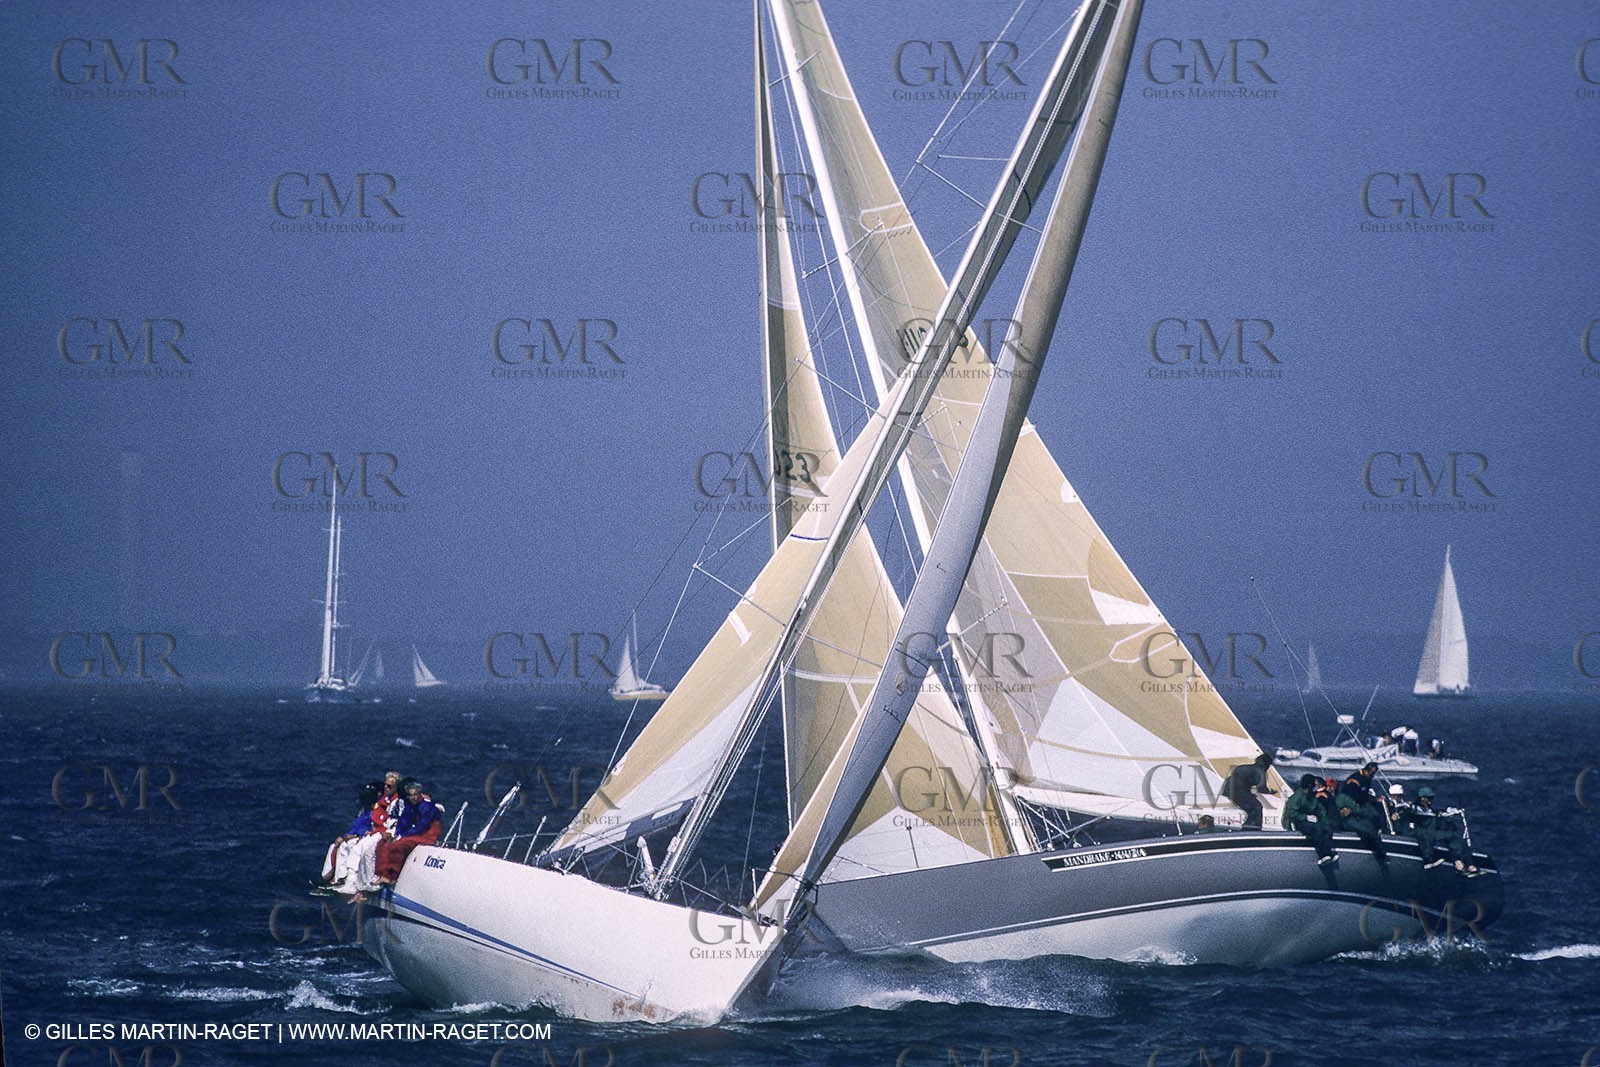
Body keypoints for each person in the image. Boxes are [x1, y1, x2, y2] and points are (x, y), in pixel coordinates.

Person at [373, 779, 444, 893]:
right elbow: (403, 822)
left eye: (416, 795)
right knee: (384, 843)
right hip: (414, 833)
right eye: (411, 795)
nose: (414, 798)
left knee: (399, 846)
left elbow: (421, 826)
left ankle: (392, 876)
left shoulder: (427, 807)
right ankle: (381, 874)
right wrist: (397, 835)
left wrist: (404, 836)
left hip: (427, 836)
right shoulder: (410, 806)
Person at [1399, 785, 1479, 875]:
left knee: (1455, 838)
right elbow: (1406, 812)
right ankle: (1437, 860)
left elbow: (1437, 819)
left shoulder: (1430, 810)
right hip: (1426, 832)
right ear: (1422, 798)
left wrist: (1445, 814)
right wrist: (1406, 808)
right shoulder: (1415, 808)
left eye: (1431, 797)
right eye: (1429, 798)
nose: (1431, 800)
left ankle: (1464, 862)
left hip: (1433, 832)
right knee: (1448, 835)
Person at [319, 782, 382, 888]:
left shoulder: (376, 809)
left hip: (366, 836)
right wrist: (347, 835)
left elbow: (371, 827)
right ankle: (326, 877)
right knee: (333, 846)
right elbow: (357, 825)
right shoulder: (365, 809)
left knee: (346, 847)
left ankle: (341, 879)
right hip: (357, 834)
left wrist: (357, 835)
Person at [1282, 773, 1337, 866]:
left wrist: (1325, 822)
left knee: (1325, 828)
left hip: (1310, 821)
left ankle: (1329, 852)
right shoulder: (1298, 796)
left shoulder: (1312, 796)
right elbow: (1291, 812)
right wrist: (1305, 817)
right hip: (1298, 822)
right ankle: (1322, 855)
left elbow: (1319, 809)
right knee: (1316, 829)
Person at [1332, 791, 1389, 872]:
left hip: (1359, 825)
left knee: (1368, 831)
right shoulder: (1338, 800)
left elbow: (1371, 816)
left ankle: (1381, 856)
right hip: (1343, 824)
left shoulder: (1364, 807)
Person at [1222, 753, 1276, 829]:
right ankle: (1254, 828)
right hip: (1238, 790)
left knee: (1251, 809)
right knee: (1257, 807)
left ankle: (1248, 826)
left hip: (1228, 789)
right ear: (1267, 764)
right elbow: (1261, 788)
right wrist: (1270, 792)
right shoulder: (1260, 771)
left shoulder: (1245, 766)